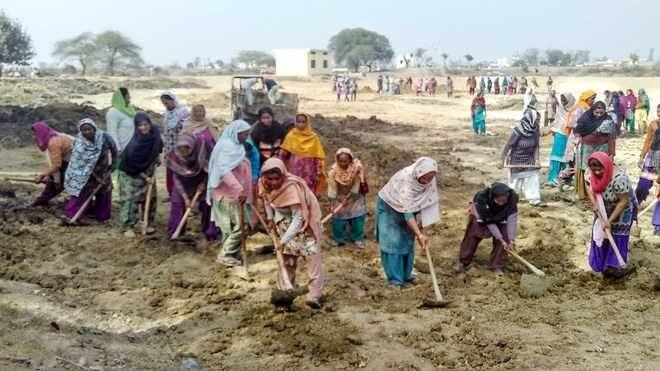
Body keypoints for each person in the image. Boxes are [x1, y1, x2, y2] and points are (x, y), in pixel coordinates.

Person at [258, 158, 324, 308]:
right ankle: (284, 293)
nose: (274, 182)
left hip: (305, 220)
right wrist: (270, 219)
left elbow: (298, 218)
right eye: (270, 179)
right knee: (287, 259)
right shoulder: (263, 183)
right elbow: (267, 200)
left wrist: (283, 241)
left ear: (283, 175)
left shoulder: (292, 188)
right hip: (284, 220)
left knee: (312, 257)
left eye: (277, 178)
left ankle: (314, 295)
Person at [376, 157, 440, 289]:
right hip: (390, 206)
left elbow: (427, 201)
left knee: (407, 240)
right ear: (418, 173)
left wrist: (422, 226)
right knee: (393, 242)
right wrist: (419, 234)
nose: (427, 181)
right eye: (424, 178)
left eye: (430, 178)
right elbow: (408, 213)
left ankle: (406, 276)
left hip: (410, 208)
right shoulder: (406, 180)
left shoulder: (429, 178)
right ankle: (395, 280)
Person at [207, 120, 253, 267]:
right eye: (243, 134)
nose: (246, 136)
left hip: (236, 194)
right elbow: (224, 171)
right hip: (226, 195)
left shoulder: (236, 147)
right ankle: (226, 254)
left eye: (247, 133)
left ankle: (231, 252)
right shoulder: (227, 147)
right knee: (241, 226)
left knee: (233, 227)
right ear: (235, 133)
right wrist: (238, 189)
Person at [585, 152, 636, 277]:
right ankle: (601, 265)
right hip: (603, 207)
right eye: (594, 170)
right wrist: (594, 204)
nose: (597, 173)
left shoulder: (619, 179)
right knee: (601, 235)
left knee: (617, 235)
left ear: (607, 166)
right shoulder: (589, 173)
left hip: (622, 210)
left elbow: (623, 201)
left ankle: (614, 267)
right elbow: (589, 188)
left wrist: (610, 220)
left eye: (600, 169)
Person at [456, 183, 518, 277]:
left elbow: (512, 219)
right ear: (492, 197)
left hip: (501, 217)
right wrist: (500, 239)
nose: (502, 203)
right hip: (483, 215)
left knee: (506, 237)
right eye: (499, 200)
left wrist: (511, 239)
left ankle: (496, 265)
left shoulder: (513, 198)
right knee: (473, 234)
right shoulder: (482, 198)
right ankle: (463, 261)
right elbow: (490, 223)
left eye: (504, 201)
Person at [118, 112, 163, 237]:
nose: (143, 128)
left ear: (149, 123)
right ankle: (128, 226)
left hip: (148, 170)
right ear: (136, 126)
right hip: (130, 173)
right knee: (130, 200)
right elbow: (132, 164)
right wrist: (146, 177)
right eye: (140, 125)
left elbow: (158, 148)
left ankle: (147, 223)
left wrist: (156, 159)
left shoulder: (155, 134)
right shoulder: (134, 144)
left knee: (151, 198)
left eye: (145, 124)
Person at [63, 119, 117, 223]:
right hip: (84, 173)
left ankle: (102, 215)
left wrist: (114, 164)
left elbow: (114, 150)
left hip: (103, 170)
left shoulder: (104, 137)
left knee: (104, 192)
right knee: (81, 192)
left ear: (94, 128)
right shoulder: (78, 142)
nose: (87, 132)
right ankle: (72, 214)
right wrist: (96, 177)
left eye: (89, 129)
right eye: (84, 130)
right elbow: (77, 162)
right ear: (80, 131)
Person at [167, 133, 218, 241]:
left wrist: (204, 183)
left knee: (206, 204)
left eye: (187, 150)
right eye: (181, 150)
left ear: (192, 147)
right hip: (182, 183)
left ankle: (208, 232)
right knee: (177, 205)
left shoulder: (202, 151)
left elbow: (210, 170)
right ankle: (176, 232)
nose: (184, 153)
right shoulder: (175, 156)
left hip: (201, 181)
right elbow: (176, 178)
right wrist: (185, 197)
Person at [502, 97, 542, 206]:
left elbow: (536, 146)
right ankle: (510, 199)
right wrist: (502, 160)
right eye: (537, 120)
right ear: (530, 119)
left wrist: (537, 160)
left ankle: (534, 199)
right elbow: (508, 146)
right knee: (515, 183)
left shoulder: (536, 130)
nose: (538, 122)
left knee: (533, 177)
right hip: (516, 160)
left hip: (529, 160)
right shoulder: (518, 131)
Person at [575, 101, 616, 201]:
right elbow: (578, 131)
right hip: (587, 148)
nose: (599, 115)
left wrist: (611, 153)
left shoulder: (608, 120)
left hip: (602, 147)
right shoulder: (585, 119)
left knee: (600, 169)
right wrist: (578, 138)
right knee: (586, 169)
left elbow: (612, 137)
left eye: (601, 113)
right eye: (596, 112)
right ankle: (586, 193)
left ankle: (599, 194)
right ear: (592, 111)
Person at [327, 148, 368, 248]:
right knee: (337, 218)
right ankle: (339, 239)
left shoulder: (356, 168)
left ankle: (357, 238)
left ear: (350, 160)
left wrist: (349, 197)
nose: (342, 163)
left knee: (358, 217)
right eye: (340, 161)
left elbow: (357, 184)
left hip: (355, 196)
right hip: (339, 196)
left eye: (345, 161)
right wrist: (334, 202)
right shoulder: (333, 172)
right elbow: (332, 188)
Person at [279, 113, 326, 195]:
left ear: (307, 123)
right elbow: (283, 154)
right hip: (295, 171)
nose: (300, 124)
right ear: (295, 122)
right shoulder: (291, 136)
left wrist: (319, 172)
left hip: (310, 172)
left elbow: (318, 157)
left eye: (303, 122)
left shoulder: (313, 137)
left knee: (308, 192)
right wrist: (280, 166)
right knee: (295, 190)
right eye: (298, 121)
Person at [30, 122, 73, 206]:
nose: (34, 137)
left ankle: (41, 200)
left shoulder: (53, 142)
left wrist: (41, 175)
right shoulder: (53, 137)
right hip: (69, 161)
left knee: (56, 182)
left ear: (41, 133)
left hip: (75, 162)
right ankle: (42, 199)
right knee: (53, 179)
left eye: (35, 134)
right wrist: (48, 176)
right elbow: (55, 163)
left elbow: (56, 165)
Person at [566, 90, 597, 200]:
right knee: (575, 162)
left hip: (587, 139)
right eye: (592, 98)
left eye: (594, 98)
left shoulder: (589, 109)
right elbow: (571, 123)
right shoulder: (579, 108)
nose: (593, 101)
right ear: (586, 98)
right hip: (577, 137)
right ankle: (567, 181)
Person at [161, 91, 191, 196]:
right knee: (169, 172)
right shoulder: (166, 114)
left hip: (180, 149)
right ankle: (171, 193)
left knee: (180, 171)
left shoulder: (183, 112)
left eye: (167, 103)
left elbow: (187, 129)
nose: (166, 105)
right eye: (164, 104)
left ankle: (182, 194)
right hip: (169, 148)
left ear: (173, 100)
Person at [547, 93, 576, 186]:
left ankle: (565, 178)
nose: (563, 102)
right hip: (559, 136)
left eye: (565, 100)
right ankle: (553, 178)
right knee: (556, 157)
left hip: (569, 137)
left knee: (567, 158)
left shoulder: (575, 111)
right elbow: (556, 123)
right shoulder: (560, 110)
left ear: (570, 100)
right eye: (562, 100)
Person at [636, 104, 660, 206]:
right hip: (652, 157)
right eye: (658, 112)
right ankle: (637, 202)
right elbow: (647, 141)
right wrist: (642, 156)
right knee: (643, 184)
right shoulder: (653, 124)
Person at [105, 87, 136, 154]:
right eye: (128, 96)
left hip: (133, 148)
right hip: (122, 150)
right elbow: (112, 132)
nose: (130, 98)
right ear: (121, 97)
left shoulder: (130, 110)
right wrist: (118, 150)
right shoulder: (113, 112)